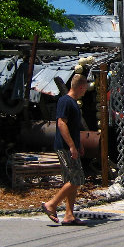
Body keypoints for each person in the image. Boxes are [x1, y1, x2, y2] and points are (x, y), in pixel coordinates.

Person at [41, 74, 89, 225]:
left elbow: (75, 127)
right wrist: (71, 146)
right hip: (65, 146)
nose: (85, 91)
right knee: (77, 179)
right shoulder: (65, 101)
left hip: (72, 145)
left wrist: (78, 143)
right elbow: (61, 123)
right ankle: (52, 204)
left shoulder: (73, 103)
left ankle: (69, 215)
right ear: (81, 87)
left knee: (71, 180)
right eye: (85, 88)